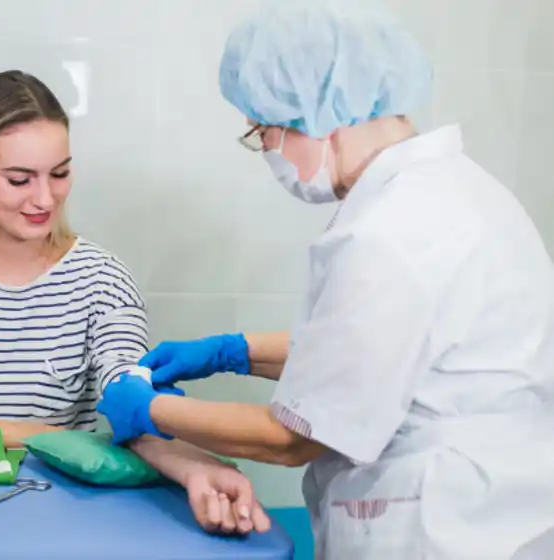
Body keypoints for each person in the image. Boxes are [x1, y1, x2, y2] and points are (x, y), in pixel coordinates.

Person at [97, 1, 554, 557]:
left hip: (443, 528)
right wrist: (230, 352)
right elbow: (364, 358)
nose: (264, 150)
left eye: (260, 131)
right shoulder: (456, 192)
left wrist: (146, 410)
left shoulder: (393, 235)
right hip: (495, 511)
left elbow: (293, 438)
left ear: (310, 112)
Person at [0, 70, 270, 535]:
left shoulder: (103, 280)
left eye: (59, 174)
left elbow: (132, 406)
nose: (45, 198)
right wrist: (54, 437)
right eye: (19, 179)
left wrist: (194, 468)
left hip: (64, 517)